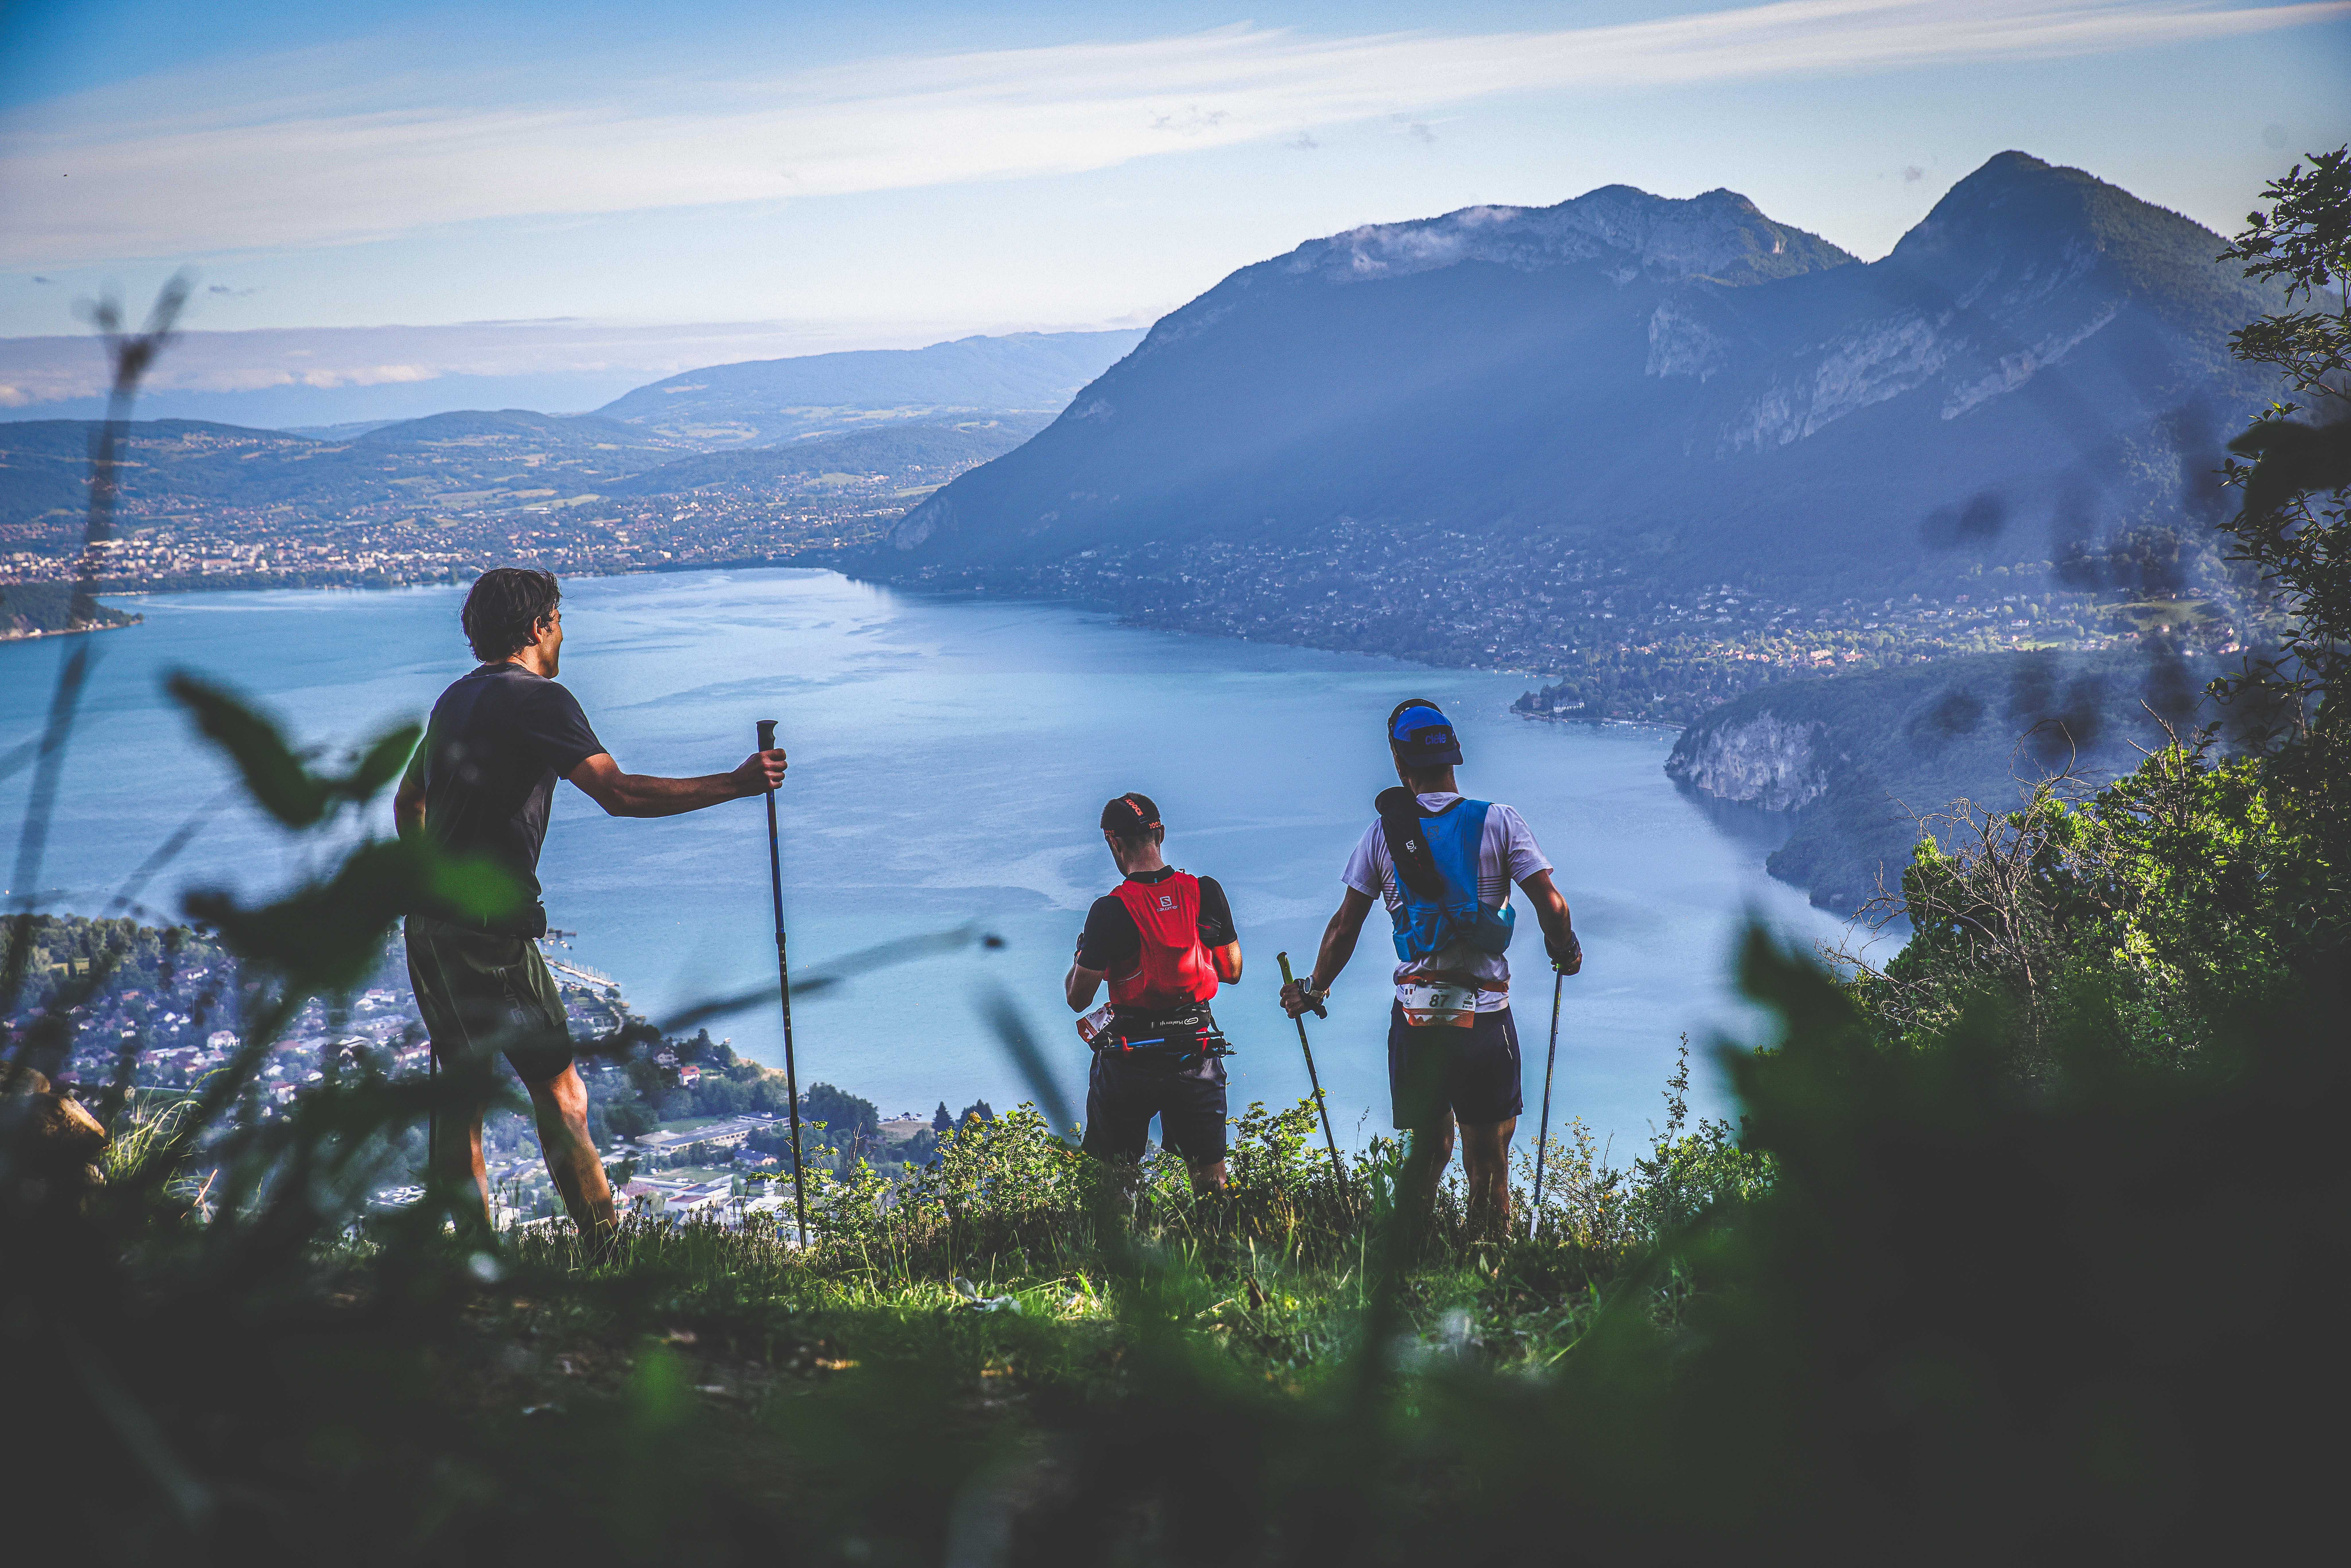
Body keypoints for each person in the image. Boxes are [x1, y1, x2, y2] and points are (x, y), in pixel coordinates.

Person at [393, 567, 787, 1247]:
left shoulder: (453, 702)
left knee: (461, 1101)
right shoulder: (539, 699)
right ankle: (608, 1256)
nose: (563, 633)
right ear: (539, 627)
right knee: (564, 1099)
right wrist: (738, 782)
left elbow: (410, 803)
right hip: (491, 934)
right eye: (557, 619)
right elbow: (619, 793)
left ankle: (477, 1262)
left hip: (430, 928)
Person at [1281, 700, 1580, 1239]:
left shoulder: (1381, 836)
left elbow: (1343, 929)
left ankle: (1406, 1261)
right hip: (1485, 1016)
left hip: (1415, 1020)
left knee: (1428, 1151)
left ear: (1400, 763)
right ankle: (1486, 1266)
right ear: (1455, 756)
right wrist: (1566, 949)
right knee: (1487, 1158)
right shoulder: (1499, 822)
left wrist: (1313, 988)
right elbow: (1551, 907)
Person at [1064, 792, 1244, 1194]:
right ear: (1160, 833)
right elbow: (1231, 970)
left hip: (1131, 1060)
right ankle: (1215, 1249)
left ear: (1114, 842)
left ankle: (1127, 1252)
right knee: (1211, 1181)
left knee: (1117, 1181)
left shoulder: (1110, 911)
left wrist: (1082, 953)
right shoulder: (1205, 893)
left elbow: (1078, 997)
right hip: (1195, 1051)